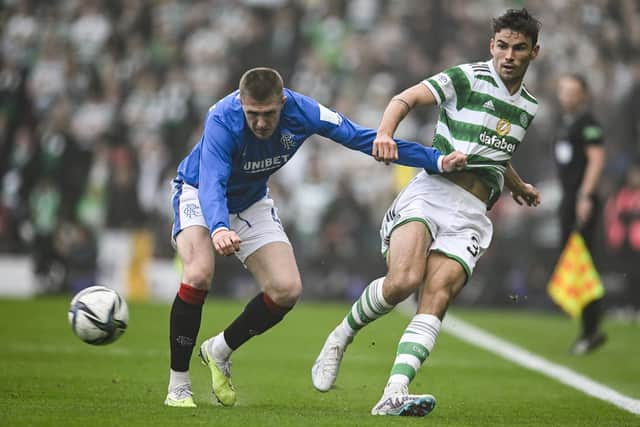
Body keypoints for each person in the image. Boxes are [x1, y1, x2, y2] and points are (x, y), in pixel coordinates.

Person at [165, 67, 468, 408]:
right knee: (198, 274)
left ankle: (219, 349)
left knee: (286, 290)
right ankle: (179, 384)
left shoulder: (304, 111)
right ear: (241, 103)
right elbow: (213, 182)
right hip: (199, 192)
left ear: (283, 102)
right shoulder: (222, 118)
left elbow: (362, 138)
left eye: (268, 115)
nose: (261, 123)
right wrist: (219, 226)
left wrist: (436, 160)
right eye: (253, 114)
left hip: (250, 200)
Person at [311, 8, 542, 417]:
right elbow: (406, 98)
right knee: (403, 281)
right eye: (502, 46)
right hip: (432, 192)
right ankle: (340, 336)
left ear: (533, 53)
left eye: (518, 48)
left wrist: (518, 186)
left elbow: (496, 154)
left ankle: (394, 391)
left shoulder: (527, 106)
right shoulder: (467, 77)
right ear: (492, 45)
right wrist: (384, 132)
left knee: (436, 295)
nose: (508, 55)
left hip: (472, 213)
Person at [553, 73, 607, 355]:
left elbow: (597, 160)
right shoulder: (565, 123)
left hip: (581, 200)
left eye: (573, 92)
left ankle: (592, 328)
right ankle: (586, 324)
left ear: (584, 95)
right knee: (572, 260)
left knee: (584, 262)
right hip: (568, 199)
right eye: (564, 91)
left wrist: (586, 195)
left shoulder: (589, 125)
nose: (568, 96)